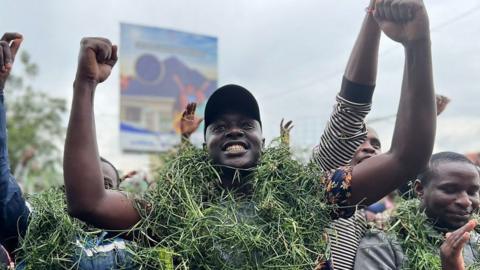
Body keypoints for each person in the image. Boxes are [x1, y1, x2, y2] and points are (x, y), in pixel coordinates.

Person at [63, 0, 435, 267]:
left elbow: (406, 158)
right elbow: (89, 203)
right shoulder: (176, 212)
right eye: (219, 126)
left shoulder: (306, 197)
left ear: (262, 139)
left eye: (246, 124)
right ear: (203, 145)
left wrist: (416, 45)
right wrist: (85, 84)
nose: (234, 131)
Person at [354, 152, 480, 270]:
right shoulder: (382, 244)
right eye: (450, 189)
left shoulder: (476, 240)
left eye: (472, 192)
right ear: (419, 189)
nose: (466, 201)